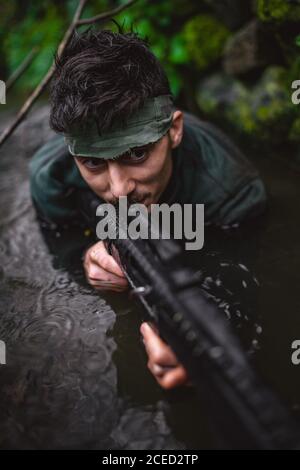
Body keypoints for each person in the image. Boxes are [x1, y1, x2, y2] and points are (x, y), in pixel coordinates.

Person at [29, 28, 267, 390]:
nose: (120, 188)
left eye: (137, 154)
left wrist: (206, 345)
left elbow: (241, 283)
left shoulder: (232, 192)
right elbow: (60, 245)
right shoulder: (51, 178)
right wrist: (84, 256)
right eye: (93, 163)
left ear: (174, 131)